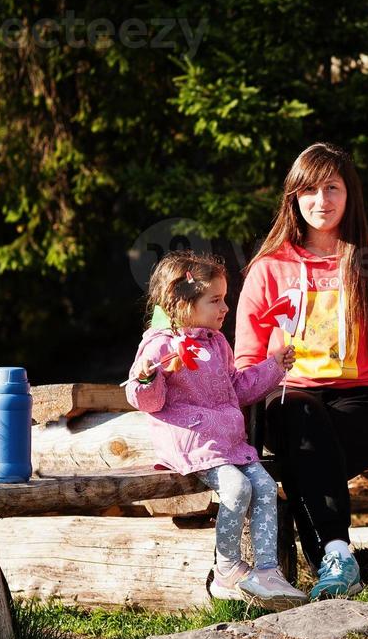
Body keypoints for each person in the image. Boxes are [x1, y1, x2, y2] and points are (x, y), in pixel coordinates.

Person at [235, 143, 368, 600]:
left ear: (350, 194)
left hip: (362, 401)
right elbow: (245, 359)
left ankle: (327, 561)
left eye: (333, 188)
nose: (322, 201)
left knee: (309, 451)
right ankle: (338, 555)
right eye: (310, 190)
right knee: (304, 418)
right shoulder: (270, 269)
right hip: (289, 401)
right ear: (294, 199)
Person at [126, 250, 307, 609]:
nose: (225, 307)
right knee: (238, 487)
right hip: (191, 440)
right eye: (215, 300)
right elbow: (146, 400)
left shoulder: (217, 343)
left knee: (266, 486)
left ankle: (267, 570)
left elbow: (236, 388)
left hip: (225, 440)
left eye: (225, 298)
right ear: (181, 302)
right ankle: (226, 567)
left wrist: (273, 367)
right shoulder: (160, 345)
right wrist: (146, 377)